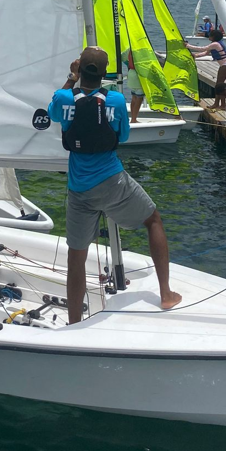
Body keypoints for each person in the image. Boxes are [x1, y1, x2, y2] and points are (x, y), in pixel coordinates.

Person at [48, 46, 181, 323]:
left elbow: (53, 113)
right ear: (106, 70)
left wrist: (72, 78)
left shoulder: (64, 97)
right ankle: (166, 294)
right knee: (153, 220)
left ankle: (74, 322)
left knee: (77, 256)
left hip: (79, 189)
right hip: (112, 181)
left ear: (80, 67)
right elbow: (121, 135)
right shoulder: (116, 100)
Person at [188, 28, 226, 110]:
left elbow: (203, 48)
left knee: (219, 86)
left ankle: (220, 105)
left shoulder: (215, 44)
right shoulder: (214, 44)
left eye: (211, 35)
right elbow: (206, 53)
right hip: (225, 65)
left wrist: (188, 46)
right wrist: (196, 56)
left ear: (214, 37)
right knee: (219, 86)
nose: (209, 36)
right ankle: (220, 104)